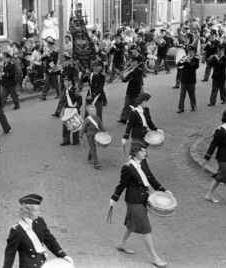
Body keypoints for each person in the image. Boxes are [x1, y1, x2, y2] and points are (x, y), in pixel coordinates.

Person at [109, 139, 172, 268]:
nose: (145, 153)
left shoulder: (143, 163)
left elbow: (150, 178)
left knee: (130, 223)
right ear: (135, 152)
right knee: (146, 228)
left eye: (145, 150)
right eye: (143, 151)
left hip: (143, 199)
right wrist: (114, 198)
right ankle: (154, 257)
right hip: (134, 201)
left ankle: (121, 244)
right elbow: (122, 185)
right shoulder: (127, 168)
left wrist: (163, 189)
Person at [3, 194, 74, 268]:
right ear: (27, 212)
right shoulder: (17, 231)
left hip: (41, 264)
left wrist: (63, 255)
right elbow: (10, 254)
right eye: (36, 210)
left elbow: (49, 240)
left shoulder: (39, 221)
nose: (39, 212)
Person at [118, 47, 144, 124]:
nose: (131, 63)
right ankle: (123, 119)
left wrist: (129, 78)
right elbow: (125, 80)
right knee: (126, 105)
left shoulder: (139, 71)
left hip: (136, 91)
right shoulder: (129, 70)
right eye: (131, 62)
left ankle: (140, 119)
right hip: (129, 90)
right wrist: (123, 78)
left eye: (133, 62)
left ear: (136, 62)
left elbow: (136, 81)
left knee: (137, 106)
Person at [79, 105, 107, 169]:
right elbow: (83, 129)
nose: (95, 112)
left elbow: (100, 126)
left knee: (92, 148)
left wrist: (105, 130)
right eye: (93, 111)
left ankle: (89, 158)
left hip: (96, 136)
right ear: (89, 112)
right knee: (93, 149)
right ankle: (96, 164)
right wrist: (80, 136)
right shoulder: (87, 120)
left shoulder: (97, 118)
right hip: (90, 136)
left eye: (95, 110)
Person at [51, 52, 76, 118]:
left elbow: (69, 76)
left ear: (68, 61)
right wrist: (55, 70)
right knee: (62, 99)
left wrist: (62, 71)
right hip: (64, 86)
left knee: (71, 100)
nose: (64, 62)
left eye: (65, 61)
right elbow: (59, 73)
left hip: (70, 86)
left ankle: (74, 111)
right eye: (64, 61)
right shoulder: (64, 67)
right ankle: (57, 112)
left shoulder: (71, 67)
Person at [60, 76, 82, 146]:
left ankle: (76, 140)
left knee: (74, 125)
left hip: (73, 109)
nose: (64, 83)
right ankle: (66, 140)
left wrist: (76, 108)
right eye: (64, 82)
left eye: (66, 81)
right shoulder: (64, 90)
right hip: (67, 109)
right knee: (66, 125)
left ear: (70, 82)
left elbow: (80, 101)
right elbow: (63, 100)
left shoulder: (76, 90)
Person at [176, 45, 199, 113]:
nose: (189, 53)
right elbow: (178, 65)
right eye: (189, 52)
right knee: (182, 94)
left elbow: (196, 66)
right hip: (184, 79)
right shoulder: (185, 58)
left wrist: (189, 61)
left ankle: (193, 106)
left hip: (191, 80)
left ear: (194, 53)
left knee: (191, 94)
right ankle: (181, 108)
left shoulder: (196, 59)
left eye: (191, 52)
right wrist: (181, 60)